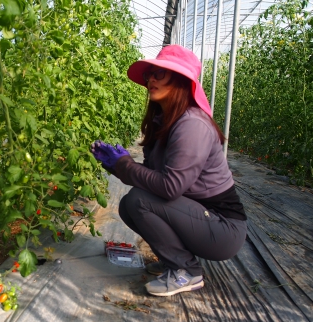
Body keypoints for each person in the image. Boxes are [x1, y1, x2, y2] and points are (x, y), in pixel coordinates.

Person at [91, 45, 247, 297]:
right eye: (149, 74)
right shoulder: (166, 121)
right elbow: (154, 180)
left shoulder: (192, 124)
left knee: (139, 201)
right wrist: (117, 165)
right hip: (199, 216)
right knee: (129, 205)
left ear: (182, 80)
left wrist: (125, 165)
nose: (151, 79)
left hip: (223, 229)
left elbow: (170, 187)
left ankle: (187, 271)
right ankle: (174, 260)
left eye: (159, 73)